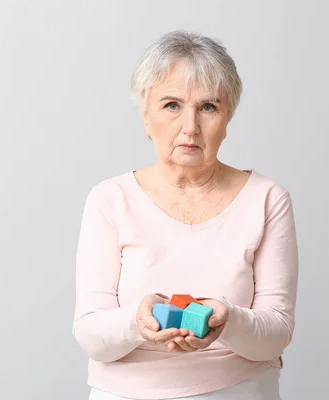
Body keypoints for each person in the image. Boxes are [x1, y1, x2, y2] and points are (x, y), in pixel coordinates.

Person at [72, 30, 299, 400]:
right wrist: (137, 320)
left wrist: (228, 318)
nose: (190, 127)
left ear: (228, 118)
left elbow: (276, 335)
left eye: (209, 107)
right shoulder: (109, 199)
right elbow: (91, 337)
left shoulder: (267, 199)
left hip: (240, 390)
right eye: (172, 105)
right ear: (146, 115)